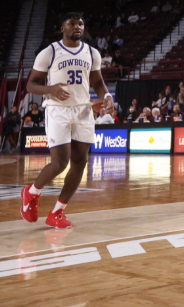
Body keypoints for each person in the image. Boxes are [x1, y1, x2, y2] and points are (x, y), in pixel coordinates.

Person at [20, 13, 114, 229]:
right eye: (72, 24)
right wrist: (50, 89)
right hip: (57, 110)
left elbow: (97, 81)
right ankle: (32, 192)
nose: (77, 27)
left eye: (80, 23)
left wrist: (106, 96)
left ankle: (57, 212)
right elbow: (31, 85)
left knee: (80, 162)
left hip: (83, 109)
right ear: (63, 28)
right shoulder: (49, 52)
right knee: (60, 163)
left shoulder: (92, 53)